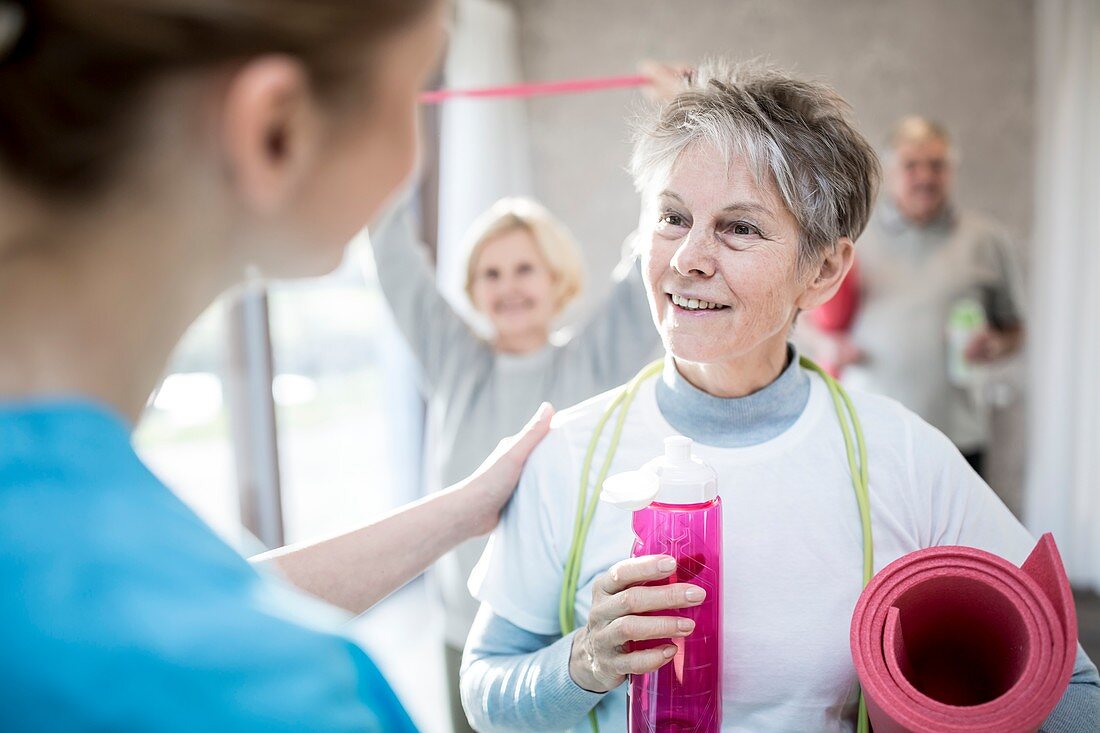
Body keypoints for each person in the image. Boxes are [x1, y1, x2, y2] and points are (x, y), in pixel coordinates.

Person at [459, 60, 1100, 732]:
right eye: (673, 217)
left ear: (823, 270)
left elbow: (1075, 691)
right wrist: (583, 661)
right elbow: (483, 685)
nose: (688, 258)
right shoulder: (569, 452)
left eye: (739, 227)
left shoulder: (907, 458)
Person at [0, 0, 555, 729]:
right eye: (418, 85)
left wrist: (465, 507)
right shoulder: (287, 694)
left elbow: (194, 593)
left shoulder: (74, 577)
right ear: (276, 130)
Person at [364, 191, 660, 731]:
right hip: (466, 631)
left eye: (525, 268)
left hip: (570, 638)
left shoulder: (596, 358)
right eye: (491, 273)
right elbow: (394, 260)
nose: (508, 286)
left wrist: (671, 119)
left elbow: (651, 253)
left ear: (556, 278)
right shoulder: (453, 359)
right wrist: (385, 159)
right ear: (474, 289)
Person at [807, 117, 1025, 478]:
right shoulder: (851, 239)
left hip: (959, 436)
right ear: (891, 171)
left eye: (937, 165)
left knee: (959, 537)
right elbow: (800, 314)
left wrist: (995, 346)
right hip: (868, 432)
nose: (925, 177)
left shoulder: (987, 240)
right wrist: (825, 342)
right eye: (912, 165)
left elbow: (1015, 331)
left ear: (952, 171)